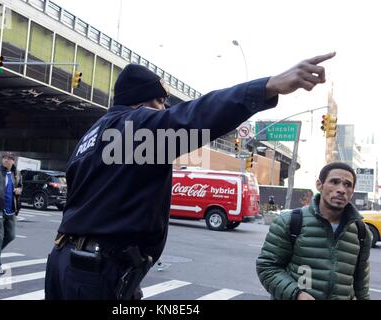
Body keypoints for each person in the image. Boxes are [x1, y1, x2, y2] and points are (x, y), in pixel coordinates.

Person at [44, 52, 336, 300]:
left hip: (66, 264)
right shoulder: (133, 127)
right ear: (139, 103)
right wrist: (269, 86)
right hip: (95, 273)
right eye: (160, 103)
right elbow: (196, 116)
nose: (163, 110)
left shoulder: (92, 136)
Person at [256, 162, 372, 300]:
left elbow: (361, 284)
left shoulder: (361, 232)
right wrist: (296, 294)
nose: (341, 189)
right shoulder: (289, 222)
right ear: (319, 185)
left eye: (348, 185)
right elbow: (267, 268)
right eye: (334, 182)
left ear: (352, 192)